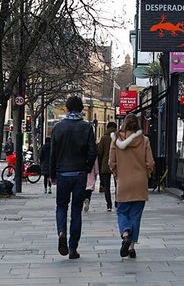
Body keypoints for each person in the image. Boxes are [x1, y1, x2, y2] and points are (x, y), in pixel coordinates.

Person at [49, 96, 97, 259]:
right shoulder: (87, 127)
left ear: (67, 108)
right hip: (79, 173)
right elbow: (92, 151)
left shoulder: (58, 127)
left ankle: (61, 231)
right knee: (76, 210)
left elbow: (53, 153)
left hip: (63, 172)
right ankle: (72, 248)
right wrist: (87, 168)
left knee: (61, 206)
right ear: (82, 109)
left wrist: (52, 174)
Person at [109, 114, 154, 259]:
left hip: (123, 182)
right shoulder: (145, 140)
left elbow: (111, 163)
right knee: (136, 216)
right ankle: (132, 247)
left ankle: (125, 234)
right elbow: (150, 163)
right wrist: (146, 174)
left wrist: (117, 175)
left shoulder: (116, 140)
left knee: (122, 212)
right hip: (140, 183)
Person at [97, 122, 117, 212]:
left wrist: (100, 164)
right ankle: (118, 202)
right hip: (118, 164)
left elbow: (99, 153)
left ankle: (109, 205)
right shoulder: (119, 137)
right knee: (118, 186)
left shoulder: (104, 138)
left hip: (105, 165)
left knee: (107, 187)